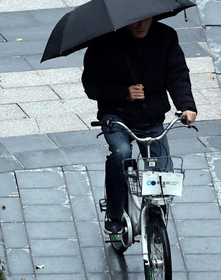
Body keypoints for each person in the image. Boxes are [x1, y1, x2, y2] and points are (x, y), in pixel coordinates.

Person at [82, 16, 198, 235]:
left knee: (162, 164)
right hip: (116, 116)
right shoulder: (103, 43)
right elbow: (92, 86)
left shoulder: (165, 37)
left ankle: (156, 215)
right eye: (134, 21)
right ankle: (114, 212)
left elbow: (177, 74)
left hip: (151, 117)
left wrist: (186, 106)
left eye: (146, 20)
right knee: (121, 153)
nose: (140, 25)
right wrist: (124, 93)